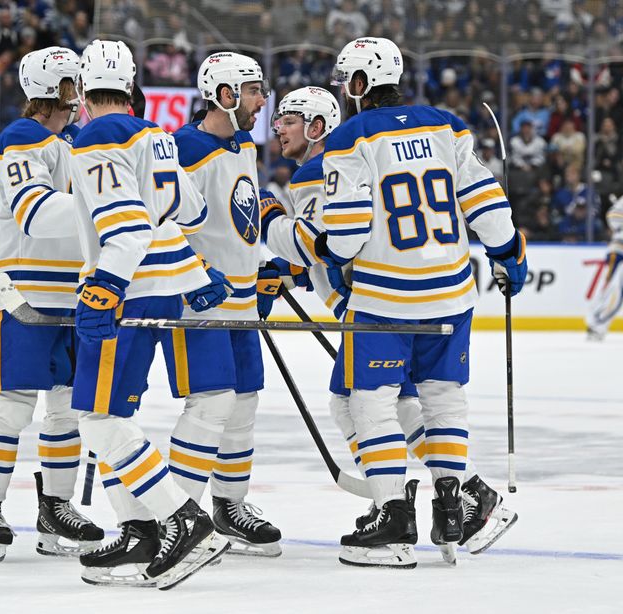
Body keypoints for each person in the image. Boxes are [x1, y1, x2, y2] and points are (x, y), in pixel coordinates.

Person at [261, 85, 518, 563]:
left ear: (318, 126)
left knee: (360, 405)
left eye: (290, 120)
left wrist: (273, 226)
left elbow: (330, 244)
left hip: (380, 305)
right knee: (414, 404)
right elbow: (328, 253)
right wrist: (291, 271)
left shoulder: (322, 169)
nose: (279, 128)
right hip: (436, 292)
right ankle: (464, 498)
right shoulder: (412, 138)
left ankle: (400, 509)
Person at [69, 39, 229, 588]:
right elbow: (192, 209)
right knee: (115, 415)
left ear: (86, 92)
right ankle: (138, 533)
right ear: (132, 83)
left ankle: (180, 519)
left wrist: (103, 288)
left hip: (128, 289)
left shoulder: (94, 137)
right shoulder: (157, 134)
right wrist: (194, 270)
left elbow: (128, 226)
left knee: (98, 418)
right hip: (165, 286)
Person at [0, 46, 103, 562]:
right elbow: (38, 215)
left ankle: (56, 510)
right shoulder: (22, 138)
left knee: (67, 410)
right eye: (75, 84)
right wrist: (112, 207)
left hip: (72, 294)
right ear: (56, 89)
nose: (81, 94)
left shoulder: (75, 141)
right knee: (11, 406)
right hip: (23, 294)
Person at [164, 51, 282, 557]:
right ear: (226, 94)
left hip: (241, 304)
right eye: (255, 90)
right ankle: (179, 516)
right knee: (210, 406)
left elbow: (241, 221)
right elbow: (161, 219)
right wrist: (190, 276)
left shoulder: (243, 147)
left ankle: (229, 508)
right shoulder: (184, 148)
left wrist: (265, 263)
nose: (263, 100)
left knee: (243, 406)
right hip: (200, 304)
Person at [587, 196, 623, 340]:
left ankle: (597, 325)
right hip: (618, 250)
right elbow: (612, 215)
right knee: (609, 288)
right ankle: (595, 323)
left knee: (619, 293)